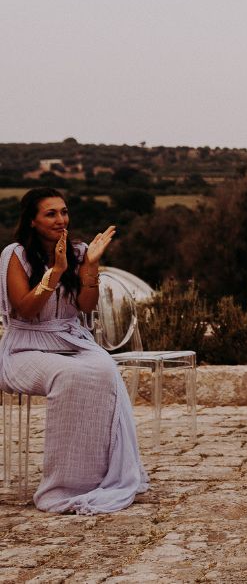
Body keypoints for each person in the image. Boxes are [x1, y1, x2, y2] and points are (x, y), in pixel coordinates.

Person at [0, 187, 148, 514]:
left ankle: (97, 477)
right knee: (69, 375)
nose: (60, 219)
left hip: (71, 339)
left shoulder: (80, 252)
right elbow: (24, 310)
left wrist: (90, 266)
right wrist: (54, 271)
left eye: (64, 212)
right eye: (50, 214)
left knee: (103, 369)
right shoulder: (15, 255)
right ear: (33, 221)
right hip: (25, 347)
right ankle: (64, 485)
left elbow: (85, 305)